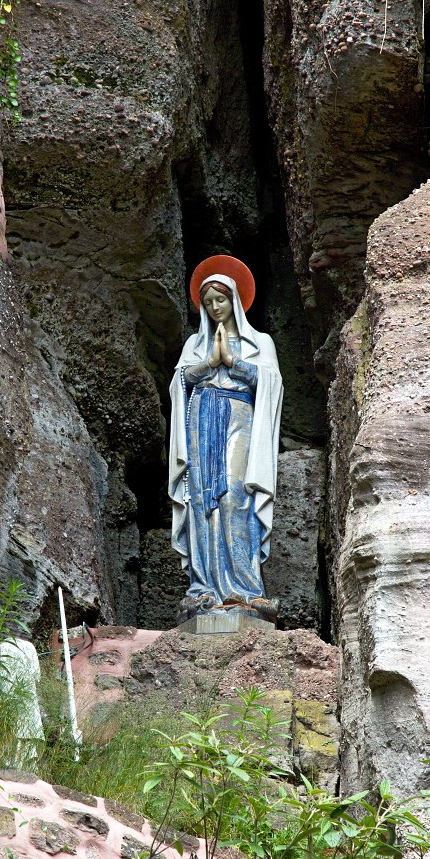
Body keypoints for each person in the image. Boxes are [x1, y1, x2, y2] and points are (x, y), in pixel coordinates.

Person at [169, 256, 283, 622]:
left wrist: (233, 362)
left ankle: (245, 590)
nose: (215, 307)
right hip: (201, 420)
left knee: (235, 494)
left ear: (234, 299)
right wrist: (208, 363)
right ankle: (204, 589)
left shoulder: (259, 342)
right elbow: (179, 383)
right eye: (208, 303)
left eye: (220, 299)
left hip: (239, 416)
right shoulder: (194, 344)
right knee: (203, 501)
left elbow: (273, 384)